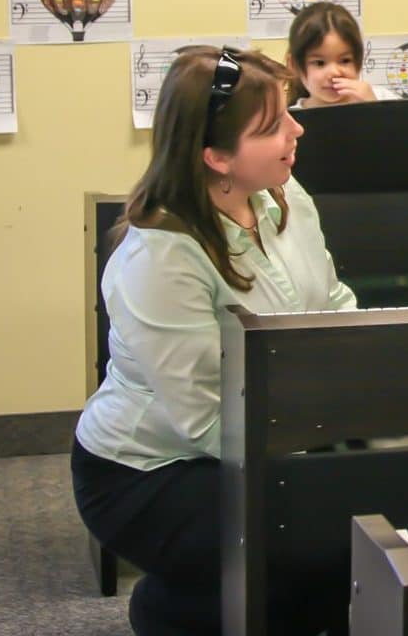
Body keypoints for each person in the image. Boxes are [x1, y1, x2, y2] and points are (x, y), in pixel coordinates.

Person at [72, 47, 356, 636]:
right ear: (216, 156)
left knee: (351, 537)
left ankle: (203, 600)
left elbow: (332, 305)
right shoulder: (162, 256)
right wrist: (322, 445)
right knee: (316, 539)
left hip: (275, 431)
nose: (297, 129)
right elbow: (204, 420)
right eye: (274, 125)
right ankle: (169, 610)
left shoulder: (283, 193)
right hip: (150, 471)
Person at [285, 1, 398, 108]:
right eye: (320, 63)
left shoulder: (383, 99)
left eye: (345, 61)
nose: (335, 72)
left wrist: (375, 110)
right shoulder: (290, 121)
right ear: (294, 65)